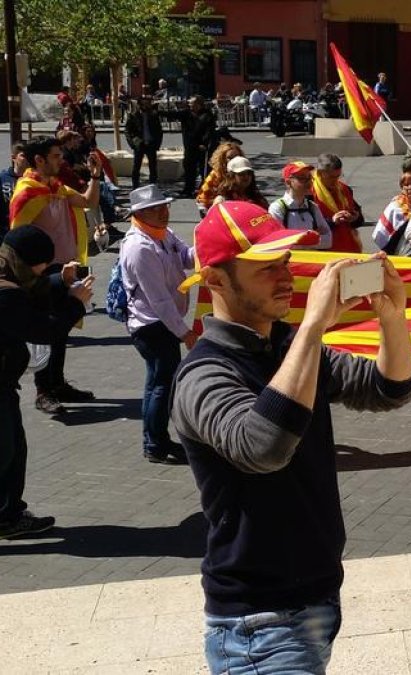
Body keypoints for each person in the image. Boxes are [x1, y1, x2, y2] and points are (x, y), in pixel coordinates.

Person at [171, 201, 411, 673]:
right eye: (266, 268)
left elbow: (389, 389)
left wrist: (393, 317)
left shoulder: (287, 345)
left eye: (285, 262)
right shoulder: (202, 374)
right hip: (257, 623)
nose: (286, 277)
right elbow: (264, 448)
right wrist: (312, 327)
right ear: (215, 280)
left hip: (316, 599)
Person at [0, 227, 92, 539]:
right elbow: (44, 330)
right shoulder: (5, 291)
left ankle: (9, 512)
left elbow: (29, 294)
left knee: (12, 448)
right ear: (26, 261)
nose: (43, 271)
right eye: (42, 265)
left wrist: (58, 281)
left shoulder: (6, 267)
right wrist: (76, 303)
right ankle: (6, 517)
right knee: (6, 451)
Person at [9, 135, 102, 415]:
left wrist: (96, 176)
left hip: (66, 267)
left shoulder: (56, 187)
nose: (61, 161)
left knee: (61, 329)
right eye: (55, 157)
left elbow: (87, 202)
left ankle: (58, 383)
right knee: (43, 331)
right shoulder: (27, 192)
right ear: (39, 160)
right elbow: (16, 239)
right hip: (42, 273)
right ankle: (43, 391)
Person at [118, 185, 196, 464]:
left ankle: (156, 441)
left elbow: (186, 257)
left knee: (157, 383)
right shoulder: (140, 247)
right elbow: (159, 300)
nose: (164, 212)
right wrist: (184, 332)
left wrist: (211, 247)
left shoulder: (163, 234)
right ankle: (155, 444)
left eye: (165, 206)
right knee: (162, 385)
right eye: (156, 208)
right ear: (139, 213)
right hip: (152, 325)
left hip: (160, 322)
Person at [269, 162, 332, 249]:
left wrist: (295, 239)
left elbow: (329, 241)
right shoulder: (277, 208)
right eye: (302, 178)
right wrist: (309, 239)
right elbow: (276, 242)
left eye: (309, 178)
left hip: (310, 261)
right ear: (288, 182)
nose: (308, 182)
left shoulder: (313, 207)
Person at [162, 96, 216, 197]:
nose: (190, 105)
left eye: (192, 103)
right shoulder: (186, 114)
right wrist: (158, 112)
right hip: (190, 146)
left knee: (203, 169)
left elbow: (209, 131)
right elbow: (173, 115)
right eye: (189, 103)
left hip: (201, 147)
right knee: (189, 168)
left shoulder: (207, 115)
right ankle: (188, 189)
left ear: (198, 104)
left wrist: (204, 143)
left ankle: (205, 189)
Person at [311, 153, 365, 253]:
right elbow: (308, 226)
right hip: (326, 251)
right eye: (331, 177)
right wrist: (332, 221)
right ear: (319, 173)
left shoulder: (344, 189)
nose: (336, 180)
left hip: (349, 248)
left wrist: (355, 218)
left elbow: (360, 218)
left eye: (338, 176)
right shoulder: (309, 193)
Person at [374, 163, 411, 254]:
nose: (410, 188)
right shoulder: (395, 206)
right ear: (402, 188)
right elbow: (387, 232)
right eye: (406, 185)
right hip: (396, 248)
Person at [195, 142, 245, 216]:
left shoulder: (246, 174)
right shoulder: (215, 175)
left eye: (237, 157)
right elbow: (203, 200)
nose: (234, 160)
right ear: (223, 159)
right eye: (230, 158)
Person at [124, 97, 163, 191]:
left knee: (153, 167)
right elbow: (127, 131)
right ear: (139, 105)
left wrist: (157, 144)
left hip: (151, 144)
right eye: (143, 104)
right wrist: (133, 143)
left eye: (147, 104)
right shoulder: (133, 115)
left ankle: (153, 187)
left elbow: (159, 130)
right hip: (139, 144)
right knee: (136, 167)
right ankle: (135, 187)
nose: (145, 106)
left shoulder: (153, 115)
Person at [0, 144, 28, 238]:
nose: (27, 159)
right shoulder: (3, 178)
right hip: (6, 234)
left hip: (27, 233)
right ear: (14, 157)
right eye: (23, 155)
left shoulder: (34, 181)